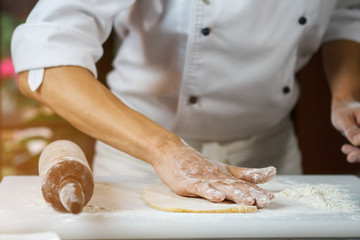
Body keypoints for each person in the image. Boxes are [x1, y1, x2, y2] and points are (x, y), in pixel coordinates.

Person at [11, 0, 360, 208]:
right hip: (138, 156)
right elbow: (45, 61)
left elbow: (347, 15)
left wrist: (346, 95)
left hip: (269, 153)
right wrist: (163, 148)